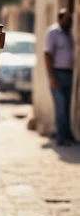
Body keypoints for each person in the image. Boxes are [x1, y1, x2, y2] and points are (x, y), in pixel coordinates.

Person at [44, 8, 74, 146]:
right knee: (60, 106)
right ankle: (61, 137)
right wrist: (51, 76)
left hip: (68, 74)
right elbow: (47, 54)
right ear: (60, 18)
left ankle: (67, 134)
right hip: (57, 74)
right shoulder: (53, 32)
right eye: (67, 19)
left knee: (66, 106)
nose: (70, 21)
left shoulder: (68, 34)